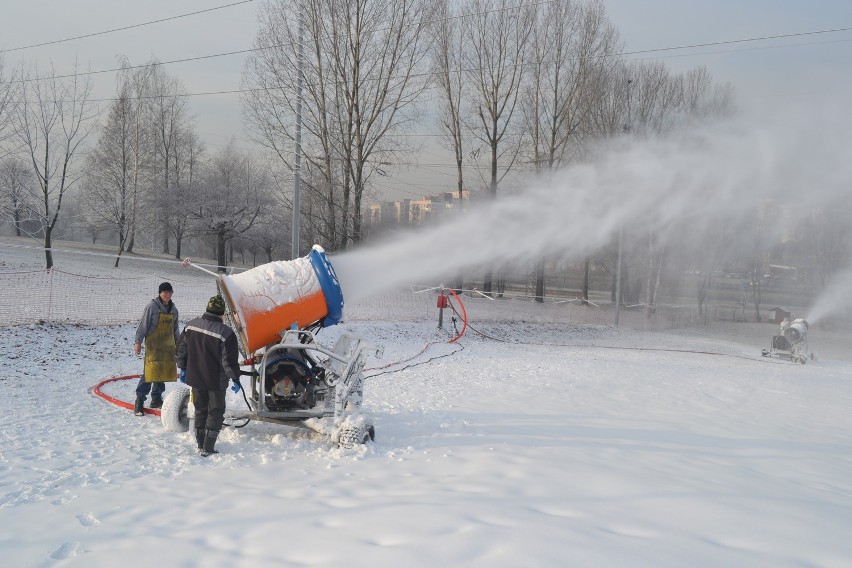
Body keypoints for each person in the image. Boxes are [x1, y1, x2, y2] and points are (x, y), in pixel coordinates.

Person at [176, 294, 242, 457]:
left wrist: (183, 368)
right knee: (215, 411)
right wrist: (234, 378)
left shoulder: (190, 326)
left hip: (196, 378)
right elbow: (228, 361)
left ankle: (200, 443)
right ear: (221, 313)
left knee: (200, 409)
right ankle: (208, 447)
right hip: (216, 381)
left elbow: (180, 351)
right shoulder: (226, 333)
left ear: (207, 308)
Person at [133, 282, 180, 415]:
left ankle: (157, 399)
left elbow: (175, 329)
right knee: (149, 373)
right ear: (160, 293)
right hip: (153, 346)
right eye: (165, 292)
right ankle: (139, 401)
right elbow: (143, 326)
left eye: (169, 292)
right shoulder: (152, 307)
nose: (167, 294)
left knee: (163, 371)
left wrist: (179, 344)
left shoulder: (174, 310)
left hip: (167, 346)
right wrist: (138, 342)